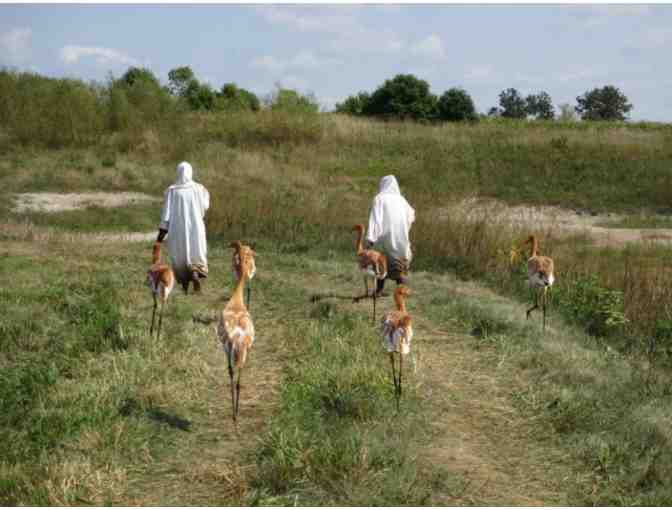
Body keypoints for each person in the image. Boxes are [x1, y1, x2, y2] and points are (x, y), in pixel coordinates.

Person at [157, 161, 210, 294]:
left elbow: (166, 216)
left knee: (180, 256)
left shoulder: (172, 191)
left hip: (177, 230)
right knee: (196, 253)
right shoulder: (199, 189)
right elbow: (205, 206)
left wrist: (160, 238)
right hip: (196, 228)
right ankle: (195, 273)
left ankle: (185, 285)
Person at [366, 175, 416, 296]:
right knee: (398, 263)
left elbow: (376, 218)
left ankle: (379, 291)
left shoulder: (380, 198)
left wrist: (371, 238)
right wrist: (404, 229)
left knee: (381, 262)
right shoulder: (402, 200)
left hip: (384, 237)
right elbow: (411, 214)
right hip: (400, 238)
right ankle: (402, 291)